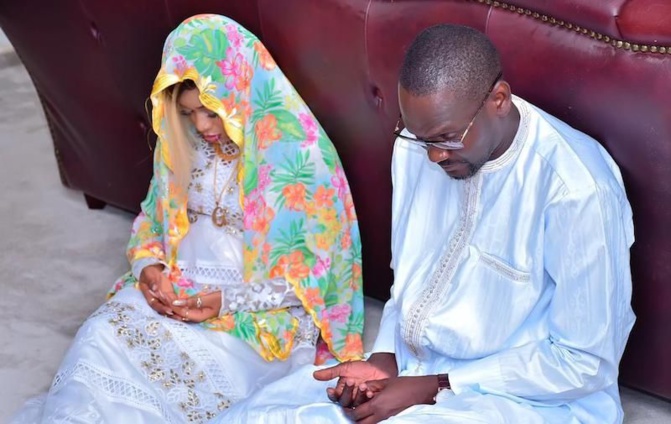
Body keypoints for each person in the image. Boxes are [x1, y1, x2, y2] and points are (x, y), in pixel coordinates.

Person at [212, 24, 635, 424]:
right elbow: (410, 278)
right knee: (261, 414)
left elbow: (584, 364)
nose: (433, 156)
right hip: (416, 369)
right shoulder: (416, 148)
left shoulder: (577, 190)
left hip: (530, 398)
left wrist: (437, 385)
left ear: (499, 100)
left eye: (447, 138)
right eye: (422, 138)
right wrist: (386, 359)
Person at [11, 14, 364, 423]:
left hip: (252, 315)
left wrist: (223, 302)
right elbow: (151, 222)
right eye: (187, 112)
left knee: (174, 380)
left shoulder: (300, 159)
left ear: (241, 90)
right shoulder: (185, 144)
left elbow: (318, 282)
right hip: (178, 291)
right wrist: (149, 268)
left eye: (210, 111)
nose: (200, 125)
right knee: (100, 334)